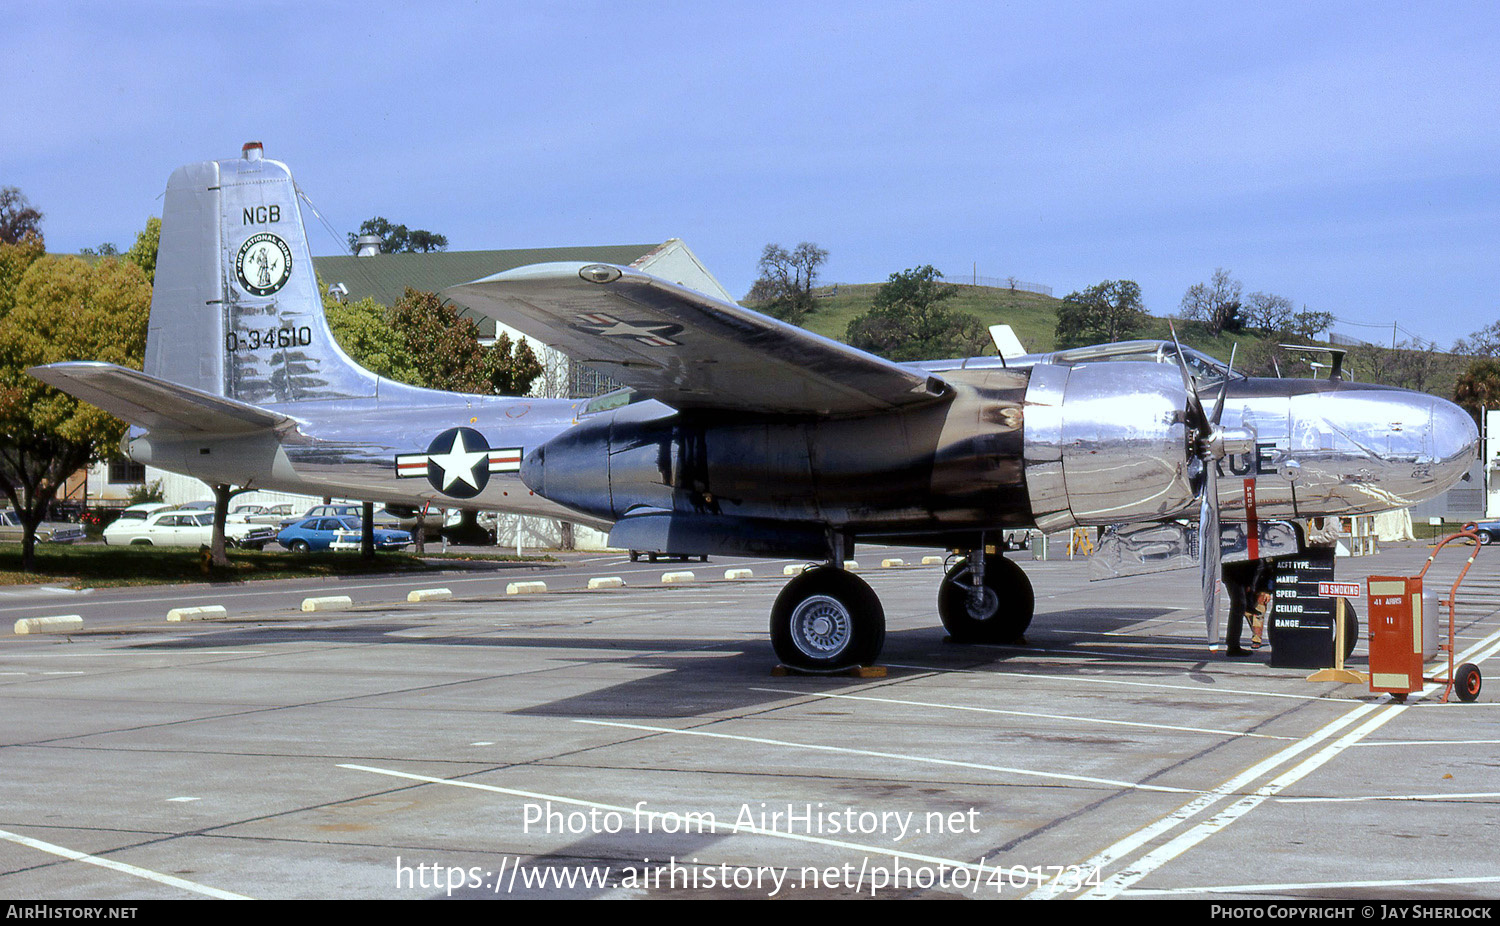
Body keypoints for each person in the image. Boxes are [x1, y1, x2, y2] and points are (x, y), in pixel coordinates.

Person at [1222, 557, 1274, 657]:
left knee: (1239, 606)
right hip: (1235, 573)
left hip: (1240, 573)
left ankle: (1233, 644)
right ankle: (1233, 645)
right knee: (1238, 606)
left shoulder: (1259, 563)